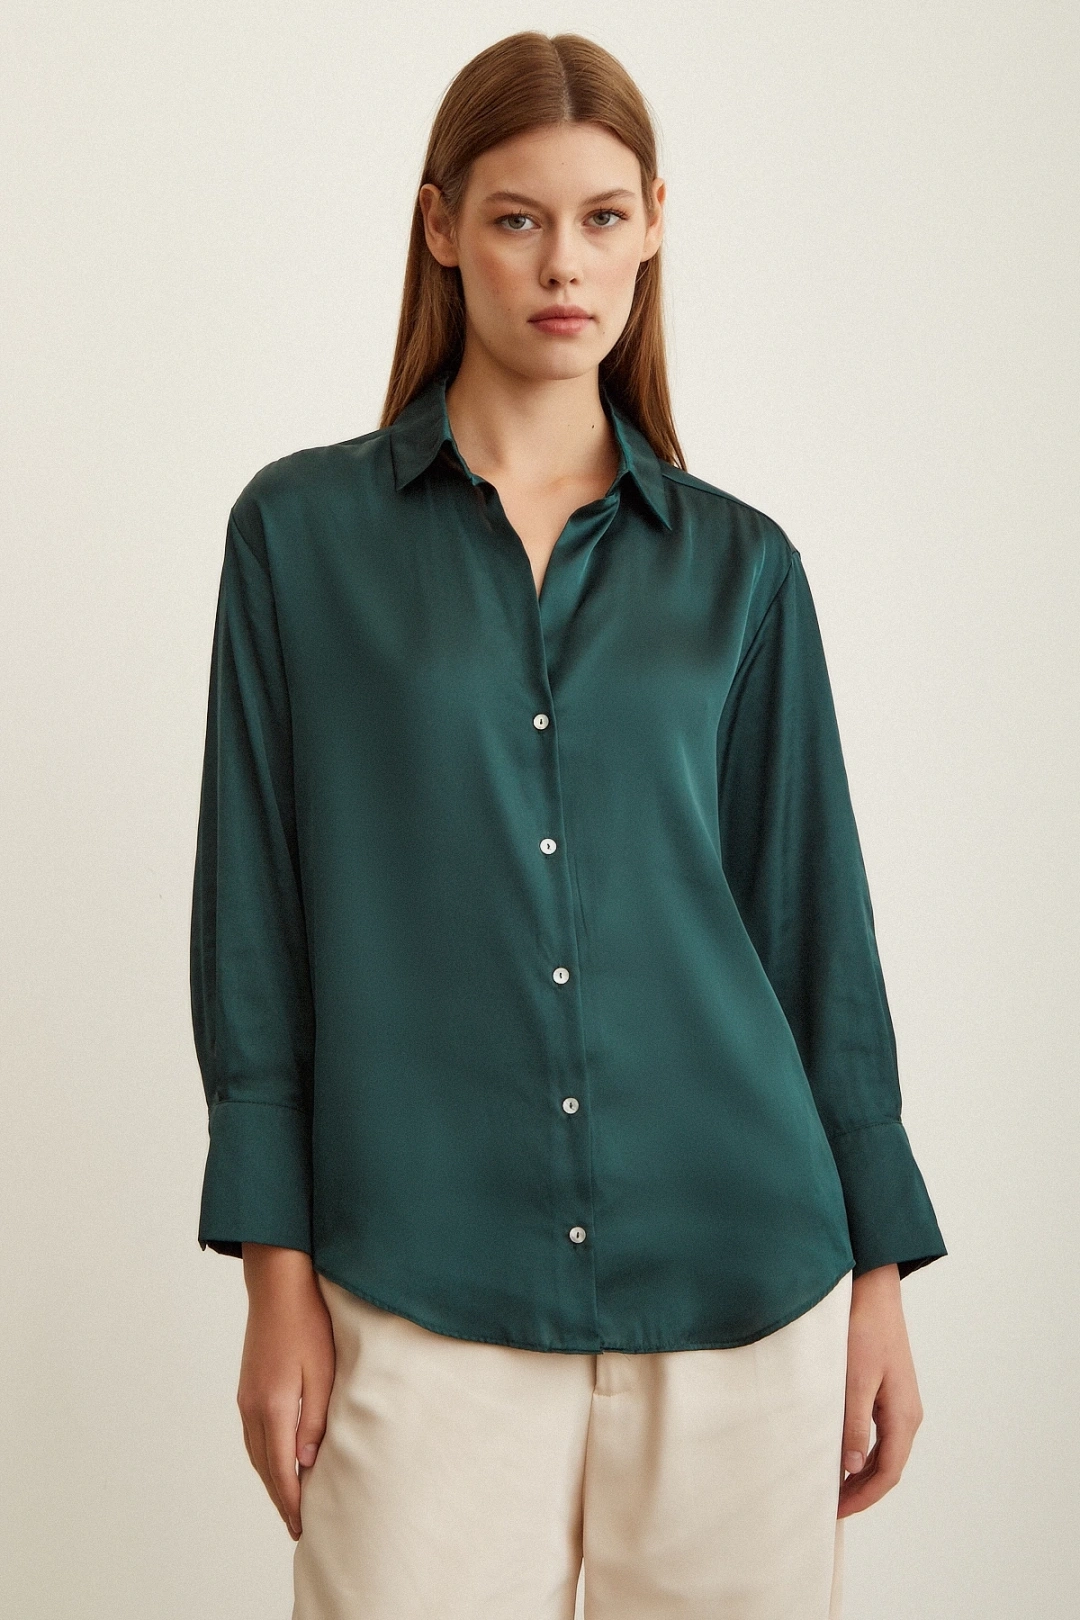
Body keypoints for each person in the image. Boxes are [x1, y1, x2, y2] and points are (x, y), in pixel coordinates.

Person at [189, 30, 947, 1620]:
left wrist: (876, 1276)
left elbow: (812, 928)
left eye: (603, 218)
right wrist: (276, 1279)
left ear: (655, 224)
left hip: (746, 1278)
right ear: (440, 226)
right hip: (418, 1278)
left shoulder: (741, 569)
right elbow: (255, 925)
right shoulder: (300, 540)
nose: (564, 265)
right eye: (519, 218)